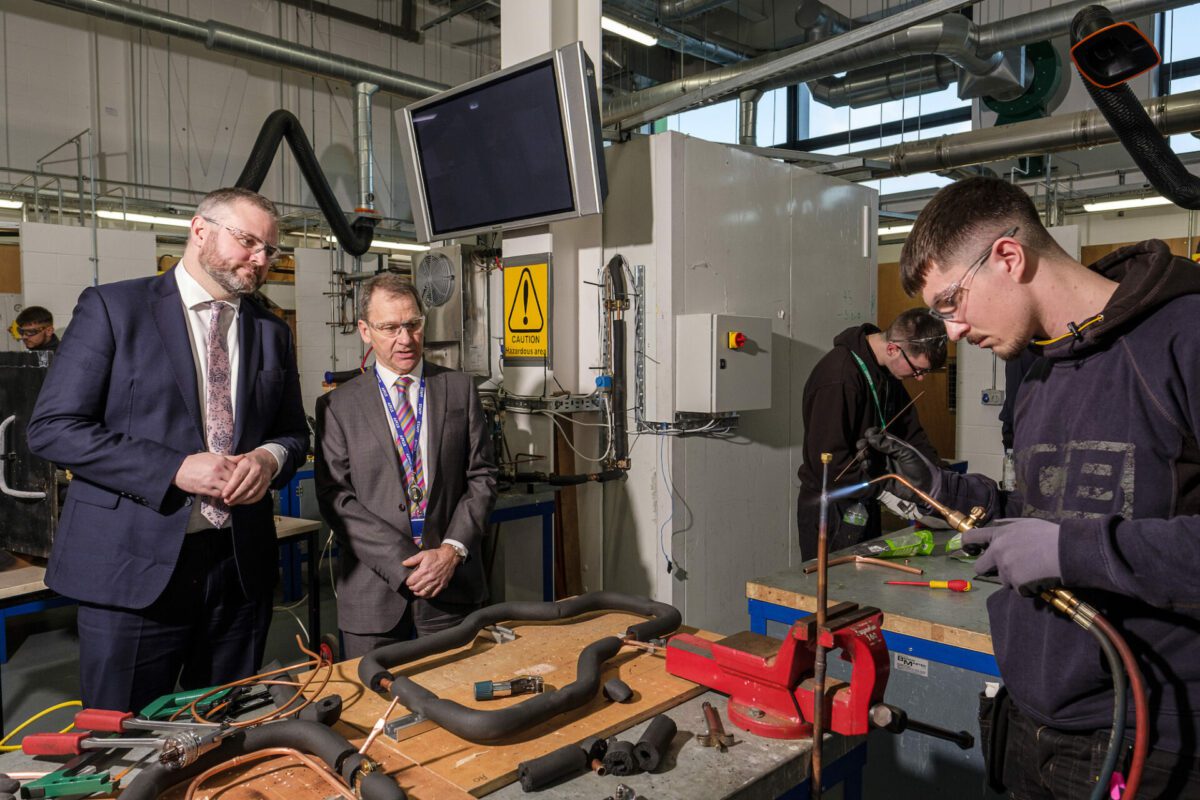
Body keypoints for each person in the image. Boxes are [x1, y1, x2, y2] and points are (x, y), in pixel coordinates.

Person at [866, 175, 1200, 798]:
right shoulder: (1034, 370)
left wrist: (1072, 552)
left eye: (949, 302)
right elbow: (1053, 509)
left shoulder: (1183, 337)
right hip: (1029, 717)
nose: (954, 331)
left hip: (1150, 732)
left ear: (1008, 257)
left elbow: (1072, 537)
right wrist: (950, 495)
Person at [26, 187, 308, 713]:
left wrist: (269, 459)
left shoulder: (271, 331)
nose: (261, 259)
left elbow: (294, 433)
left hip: (237, 572)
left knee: (222, 728)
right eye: (249, 242)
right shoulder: (114, 308)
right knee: (125, 746)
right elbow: (53, 428)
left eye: (271, 250)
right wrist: (174, 467)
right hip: (132, 567)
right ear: (199, 231)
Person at [315, 273, 496, 659]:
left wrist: (450, 551)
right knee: (375, 711)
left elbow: (481, 477)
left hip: (452, 591)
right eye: (390, 327)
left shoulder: (459, 389)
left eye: (413, 324)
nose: (405, 339)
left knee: (458, 701)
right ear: (365, 331)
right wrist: (406, 566)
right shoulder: (338, 406)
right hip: (373, 600)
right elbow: (336, 498)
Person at [795, 308, 947, 559]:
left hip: (866, 501)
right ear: (892, 349)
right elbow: (828, 464)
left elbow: (912, 436)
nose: (919, 379)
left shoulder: (887, 374)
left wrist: (942, 484)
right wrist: (884, 491)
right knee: (835, 592)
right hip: (832, 511)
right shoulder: (839, 378)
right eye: (918, 370)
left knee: (866, 588)